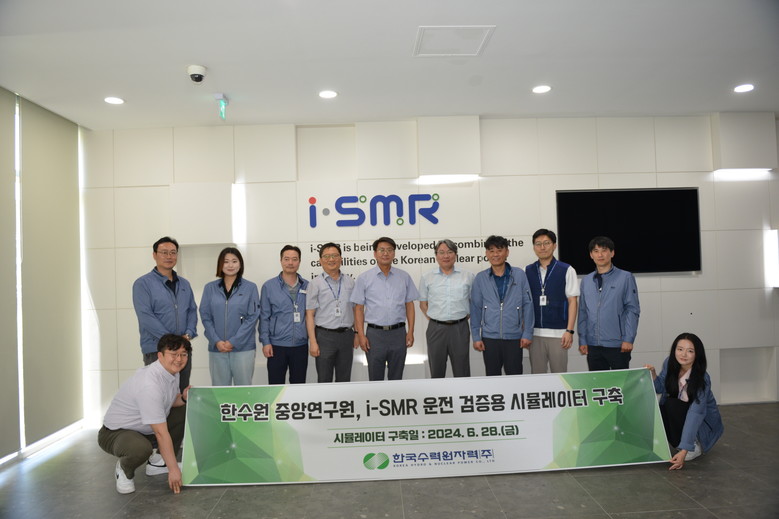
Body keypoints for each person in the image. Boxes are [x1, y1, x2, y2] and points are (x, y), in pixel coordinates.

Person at [98, 334, 191, 495]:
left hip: (145, 429)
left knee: (184, 409)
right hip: (116, 433)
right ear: (160, 355)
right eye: (174, 354)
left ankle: (158, 463)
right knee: (141, 448)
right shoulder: (150, 384)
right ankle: (124, 469)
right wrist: (174, 469)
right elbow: (160, 433)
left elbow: (168, 402)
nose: (179, 359)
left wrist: (183, 398)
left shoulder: (171, 372)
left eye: (183, 354)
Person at [645, 332, 724, 470]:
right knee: (659, 406)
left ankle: (693, 445)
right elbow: (661, 388)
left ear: (697, 354)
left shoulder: (702, 379)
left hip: (701, 425)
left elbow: (696, 413)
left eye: (690, 351)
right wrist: (653, 375)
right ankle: (681, 444)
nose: (683, 354)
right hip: (679, 414)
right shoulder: (670, 363)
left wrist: (685, 450)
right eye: (680, 349)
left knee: (672, 404)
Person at [132, 236, 198, 392]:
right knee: (157, 394)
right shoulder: (143, 284)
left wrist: (188, 335)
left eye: (173, 252)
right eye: (164, 252)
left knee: (182, 394)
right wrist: (172, 342)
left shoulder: (184, 284)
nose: (169, 256)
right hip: (157, 350)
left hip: (182, 350)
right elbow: (145, 316)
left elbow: (192, 310)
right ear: (154, 255)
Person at [351, 237, 419, 381]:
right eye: (381, 250)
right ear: (375, 254)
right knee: (375, 377)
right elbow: (359, 309)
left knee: (396, 377)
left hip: (398, 334)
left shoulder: (404, 277)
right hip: (375, 335)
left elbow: (409, 305)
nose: (385, 253)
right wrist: (361, 335)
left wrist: (411, 331)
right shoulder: (364, 278)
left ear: (394, 253)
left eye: (389, 250)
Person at [470, 235, 534, 376]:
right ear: (487, 254)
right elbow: (475, 308)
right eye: (491, 251)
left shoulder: (519, 275)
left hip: (514, 337)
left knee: (515, 377)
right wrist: (476, 336)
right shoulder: (481, 278)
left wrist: (527, 333)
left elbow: (528, 305)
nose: (495, 254)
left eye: (499, 250)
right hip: (489, 338)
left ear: (507, 252)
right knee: (492, 378)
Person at [200, 247, 260, 386]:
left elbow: (252, 318)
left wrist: (234, 341)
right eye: (226, 261)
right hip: (217, 348)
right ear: (220, 264)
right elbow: (205, 316)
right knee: (220, 390)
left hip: (243, 348)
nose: (230, 265)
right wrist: (216, 341)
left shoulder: (250, 287)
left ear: (240, 264)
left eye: (234, 261)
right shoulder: (210, 288)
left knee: (243, 389)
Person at [577, 236, 640, 370]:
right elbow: (583, 312)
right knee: (598, 382)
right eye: (596, 251)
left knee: (620, 382)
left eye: (604, 250)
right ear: (591, 255)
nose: (600, 255)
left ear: (612, 253)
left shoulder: (626, 277)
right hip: (593, 345)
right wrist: (583, 339)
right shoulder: (586, 281)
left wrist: (628, 339)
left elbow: (632, 310)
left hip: (618, 344)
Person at [525, 229, 579, 373]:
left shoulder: (567, 270)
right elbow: (524, 303)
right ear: (534, 247)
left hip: (559, 334)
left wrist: (569, 331)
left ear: (554, 245)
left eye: (546, 243)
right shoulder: (527, 271)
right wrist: (525, 331)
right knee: (537, 376)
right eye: (538, 244)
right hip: (535, 334)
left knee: (559, 376)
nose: (542, 247)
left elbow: (573, 301)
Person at [418, 239, 474, 378]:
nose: (446, 256)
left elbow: (473, 302)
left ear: (455, 254)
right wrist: (436, 317)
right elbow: (423, 304)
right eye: (441, 252)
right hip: (436, 328)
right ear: (436, 255)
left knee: (462, 370)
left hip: (460, 328)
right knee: (436, 370)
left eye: (449, 252)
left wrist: (463, 316)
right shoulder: (427, 277)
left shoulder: (468, 276)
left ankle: (462, 392)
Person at [306, 242, 358, 382]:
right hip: (324, 337)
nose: (331, 259)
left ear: (341, 258)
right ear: (320, 260)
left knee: (344, 379)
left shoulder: (350, 282)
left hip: (347, 335)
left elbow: (355, 310)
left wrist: (357, 333)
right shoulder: (315, 284)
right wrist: (313, 342)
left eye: (335, 255)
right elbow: (310, 315)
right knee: (324, 379)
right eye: (327, 256)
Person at [260, 245, 309, 384]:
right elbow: (264, 317)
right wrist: (266, 342)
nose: (290, 263)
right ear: (281, 260)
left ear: (299, 261)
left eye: (294, 259)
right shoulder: (269, 286)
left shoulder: (307, 285)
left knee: (299, 386)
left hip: (300, 345)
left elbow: (311, 316)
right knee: (276, 386)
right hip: (276, 346)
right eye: (286, 259)